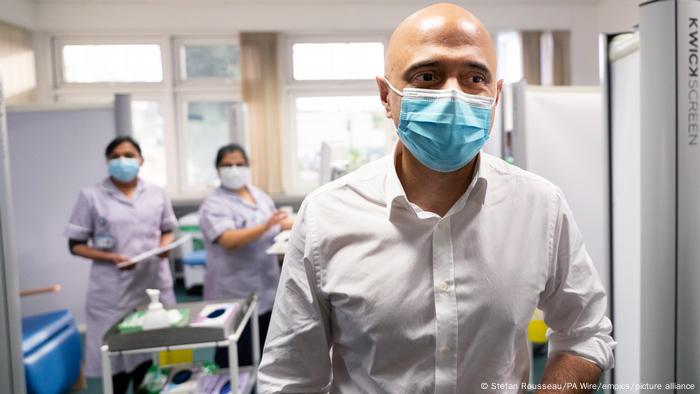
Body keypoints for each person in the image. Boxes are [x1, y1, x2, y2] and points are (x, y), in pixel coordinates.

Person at [258, 3, 615, 393]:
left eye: (474, 77)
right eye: (427, 76)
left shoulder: (540, 207)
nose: (453, 96)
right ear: (385, 95)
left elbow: (586, 332)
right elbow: (290, 379)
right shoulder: (327, 215)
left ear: (495, 95)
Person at [65, 136, 177, 393]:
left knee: (150, 354)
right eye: (115, 156)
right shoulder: (91, 196)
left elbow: (168, 228)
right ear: (107, 162)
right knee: (113, 358)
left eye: (128, 155)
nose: (122, 161)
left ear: (141, 160)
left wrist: (164, 246)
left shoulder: (157, 193)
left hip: (151, 283)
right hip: (111, 291)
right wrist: (111, 257)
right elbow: (75, 245)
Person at [199, 143, 292, 367]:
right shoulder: (213, 204)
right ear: (217, 169)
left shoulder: (258, 195)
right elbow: (227, 240)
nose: (234, 169)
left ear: (248, 166)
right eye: (227, 165)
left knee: (266, 354)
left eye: (239, 164)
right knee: (235, 359)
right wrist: (264, 226)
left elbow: (277, 225)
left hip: (266, 287)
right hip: (234, 290)